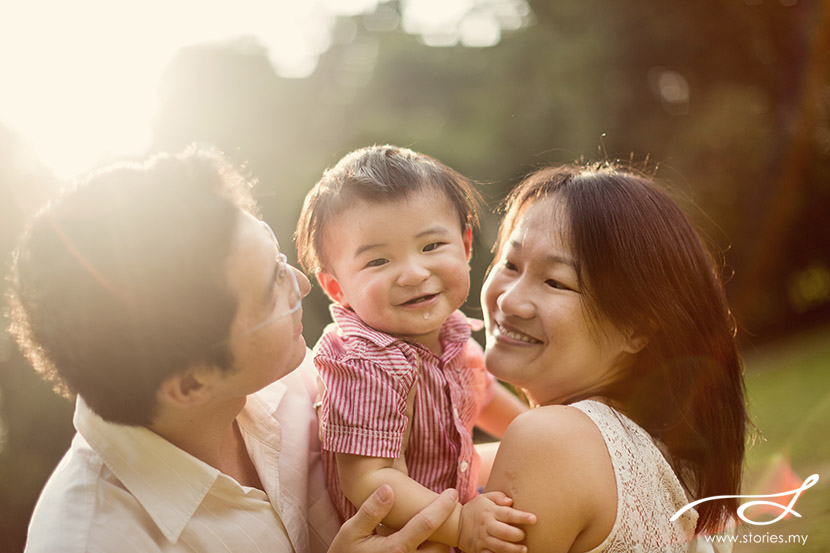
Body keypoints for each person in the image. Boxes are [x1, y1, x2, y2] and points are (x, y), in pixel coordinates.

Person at [7, 148, 461, 553]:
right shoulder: (93, 539)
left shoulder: (308, 375)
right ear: (191, 382)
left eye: (277, 255)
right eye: (272, 287)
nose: (302, 285)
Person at [480, 164, 748, 552]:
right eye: (510, 264)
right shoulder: (672, 460)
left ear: (636, 329)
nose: (508, 300)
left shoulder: (549, 442)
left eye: (556, 281)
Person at [295, 145, 533, 552]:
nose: (413, 273)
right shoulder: (363, 362)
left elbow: (485, 396)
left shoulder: (452, 336)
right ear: (337, 287)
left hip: (455, 505)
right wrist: (461, 524)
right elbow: (370, 478)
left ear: (466, 245)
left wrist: (539, 429)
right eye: (378, 262)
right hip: (402, 537)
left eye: (430, 247)